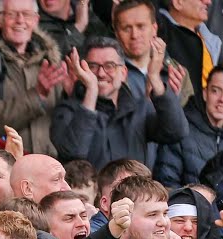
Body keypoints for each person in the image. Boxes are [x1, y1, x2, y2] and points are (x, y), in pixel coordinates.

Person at [50, 36, 187, 169]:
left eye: (110, 66)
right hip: (89, 192)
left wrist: (154, 78)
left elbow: (176, 131)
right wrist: (92, 90)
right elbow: (73, 154)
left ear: (123, 73)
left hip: (136, 192)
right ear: (83, 70)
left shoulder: (140, 109)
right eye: (93, 66)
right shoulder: (67, 109)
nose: (101, 73)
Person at [0, 0, 65, 155]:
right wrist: (36, 96)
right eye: (12, 14)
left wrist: (71, 95)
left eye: (27, 14)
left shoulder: (50, 63)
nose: (20, 20)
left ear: (36, 20)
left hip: (44, 167)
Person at [156, 63, 223, 187]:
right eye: (215, 91)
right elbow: (166, 183)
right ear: (205, 93)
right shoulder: (180, 128)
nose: (222, 99)